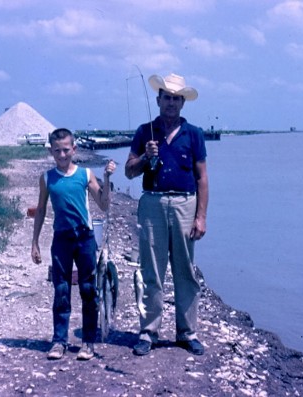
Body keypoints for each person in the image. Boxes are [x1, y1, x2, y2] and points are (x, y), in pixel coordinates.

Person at [125, 73, 209, 356]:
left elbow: (202, 178)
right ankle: (148, 332)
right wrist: (146, 157)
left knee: (185, 270)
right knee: (152, 270)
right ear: (158, 100)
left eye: (176, 99)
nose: (171, 103)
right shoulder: (144, 131)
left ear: (182, 103)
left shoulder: (194, 134)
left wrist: (201, 216)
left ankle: (187, 333)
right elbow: (129, 171)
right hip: (153, 204)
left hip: (186, 204)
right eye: (166, 98)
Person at [31, 128, 116, 361]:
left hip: (85, 238)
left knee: (89, 289)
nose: (62, 155)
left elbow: (104, 204)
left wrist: (107, 179)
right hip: (61, 239)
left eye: (66, 150)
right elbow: (40, 210)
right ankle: (59, 341)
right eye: (57, 150)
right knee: (61, 290)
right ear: (51, 151)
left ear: (74, 149)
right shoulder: (47, 178)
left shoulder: (86, 174)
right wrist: (35, 242)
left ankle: (88, 342)